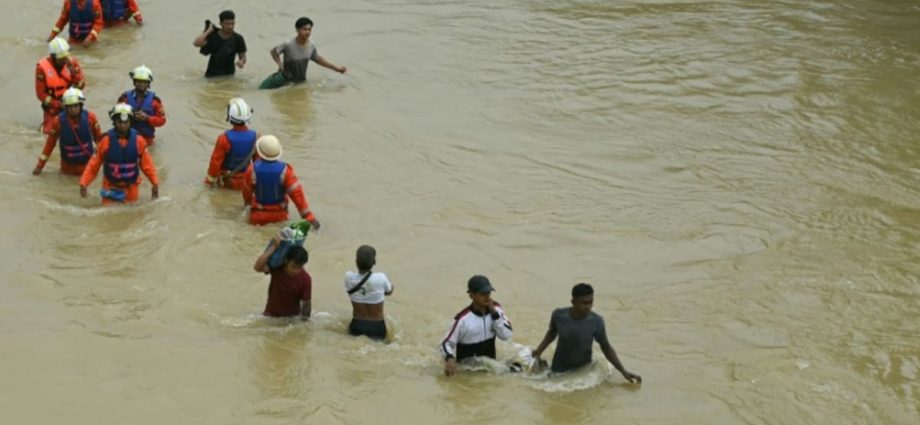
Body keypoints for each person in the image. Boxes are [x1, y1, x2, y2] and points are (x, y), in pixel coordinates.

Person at [531, 283, 642, 383]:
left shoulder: (596, 321)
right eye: (584, 303)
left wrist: (623, 371)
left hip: (583, 373)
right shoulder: (559, 316)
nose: (588, 306)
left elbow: (606, 347)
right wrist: (538, 352)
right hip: (558, 370)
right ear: (573, 302)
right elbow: (551, 333)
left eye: (590, 302)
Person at [79, 103, 159, 205]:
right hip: (110, 187)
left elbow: (148, 166)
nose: (123, 125)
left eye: (126, 122)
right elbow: (93, 165)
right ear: (114, 122)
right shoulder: (105, 141)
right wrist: (84, 182)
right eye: (119, 122)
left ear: (130, 122)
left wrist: (155, 183)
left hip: (131, 188)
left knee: (132, 216)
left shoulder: (139, 141)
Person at [440, 275, 514, 377]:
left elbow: (506, 335)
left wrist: (495, 315)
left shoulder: (496, 309)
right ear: (471, 295)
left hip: (490, 371)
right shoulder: (462, 320)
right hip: (467, 373)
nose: (487, 296)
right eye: (483, 294)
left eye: (488, 292)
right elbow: (446, 343)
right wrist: (450, 359)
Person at [240, 135, 320, 228]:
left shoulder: (252, 169)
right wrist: (309, 217)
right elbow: (297, 195)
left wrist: (247, 204)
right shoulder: (286, 171)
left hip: (257, 217)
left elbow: (246, 192)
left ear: (259, 151)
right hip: (280, 217)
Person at [33, 88, 102, 176]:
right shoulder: (58, 121)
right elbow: (50, 144)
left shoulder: (91, 118)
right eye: (70, 107)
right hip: (67, 168)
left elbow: (100, 141)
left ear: (81, 105)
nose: (73, 109)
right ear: (66, 107)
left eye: (75, 106)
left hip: (87, 166)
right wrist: (39, 166)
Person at [268, 17, 346, 86]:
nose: (308, 32)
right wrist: (280, 65)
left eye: (309, 29)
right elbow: (273, 52)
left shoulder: (311, 46)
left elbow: (318, 59)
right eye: (304, 29)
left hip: (301, 83)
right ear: (297, 30)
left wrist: (337, 69)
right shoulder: (288, 44)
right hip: (285, 82)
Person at [204, 98, 258, 190]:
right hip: (247, 182)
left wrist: (208, 182)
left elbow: (215, 163)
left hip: (227, 182)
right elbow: (258, 163)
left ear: (230, 117)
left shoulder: (224, 138)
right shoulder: (256, 137)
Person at [254, 236, 312, 320]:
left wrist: (303, 325)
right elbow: (257, 267)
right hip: (270, 316)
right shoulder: (277, 269)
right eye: (293, 266)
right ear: (286, 260)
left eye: (300, 267)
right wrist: (272, 248)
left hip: (291, 319)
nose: (296, 271)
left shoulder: (305, 279)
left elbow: (306, 305)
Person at [36, 38, 86, 135]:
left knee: (81, 129)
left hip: (72, 104)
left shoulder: (72, 63)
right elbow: (40, 94)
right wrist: (58, 104)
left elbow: (81, 85)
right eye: (61, 58)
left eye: (65, 57)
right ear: (53, 57)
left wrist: (74, 73)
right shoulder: (41, 68)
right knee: (49, 133)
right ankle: (43, 126)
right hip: (52, 107)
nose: (64, 60)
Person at [344, 245, 394, 340]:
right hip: (377, 327)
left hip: (357, 325)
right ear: (374, 262)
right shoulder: (381, 278)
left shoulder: (349, 277)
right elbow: (389, 291)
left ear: (356, 262)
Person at [116, 65, 166, 145]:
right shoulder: (124, 99)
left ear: (148, 83)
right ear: (134, 82)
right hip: (127, 139)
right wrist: (131, 116)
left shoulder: (155, 101)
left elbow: (162, 121)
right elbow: (116, 117)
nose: (141, 84)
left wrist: (148, 118)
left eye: (144, 82)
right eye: (139, 81)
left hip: (147, 140)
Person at [193, 10, 247, 78]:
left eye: (232, 23)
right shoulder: (213, 36)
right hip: (211, 76)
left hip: (229, 76)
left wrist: (241, 62)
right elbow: (196, 43)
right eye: (227, 24)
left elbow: (243, 56)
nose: (230, 26)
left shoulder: (238, 38)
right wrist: (208, 31)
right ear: (220, 23)